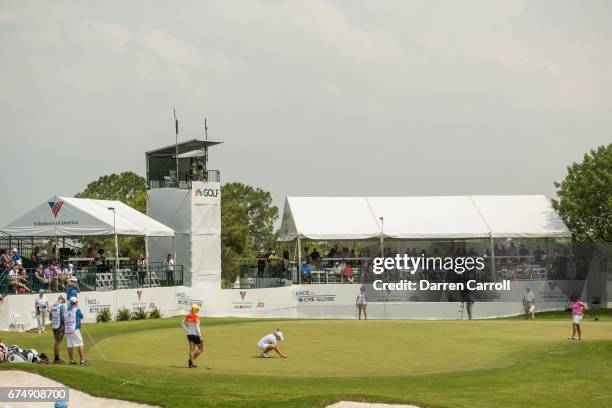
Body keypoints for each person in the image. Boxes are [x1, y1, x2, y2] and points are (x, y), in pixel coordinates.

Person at [64, 296, 86, 365]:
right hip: (75, 329)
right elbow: (82, 316)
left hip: (68, 329)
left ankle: (71, 361)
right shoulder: (77, 309)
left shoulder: (66, 310)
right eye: (77, 302)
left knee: (70, 344)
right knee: (80, 343)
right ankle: (82, 361)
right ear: (75, 302)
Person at [49, 294, 66, 364]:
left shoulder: (52, 305)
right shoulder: (61, 306)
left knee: (56, 342)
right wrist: (66, 323)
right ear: (62, 299)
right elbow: (63, 317)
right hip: (60, 326)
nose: (64, 302)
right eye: (64, 300)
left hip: (54, 325)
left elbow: (50, 318)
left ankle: (56, 358)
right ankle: (56, 360)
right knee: (58, 342)